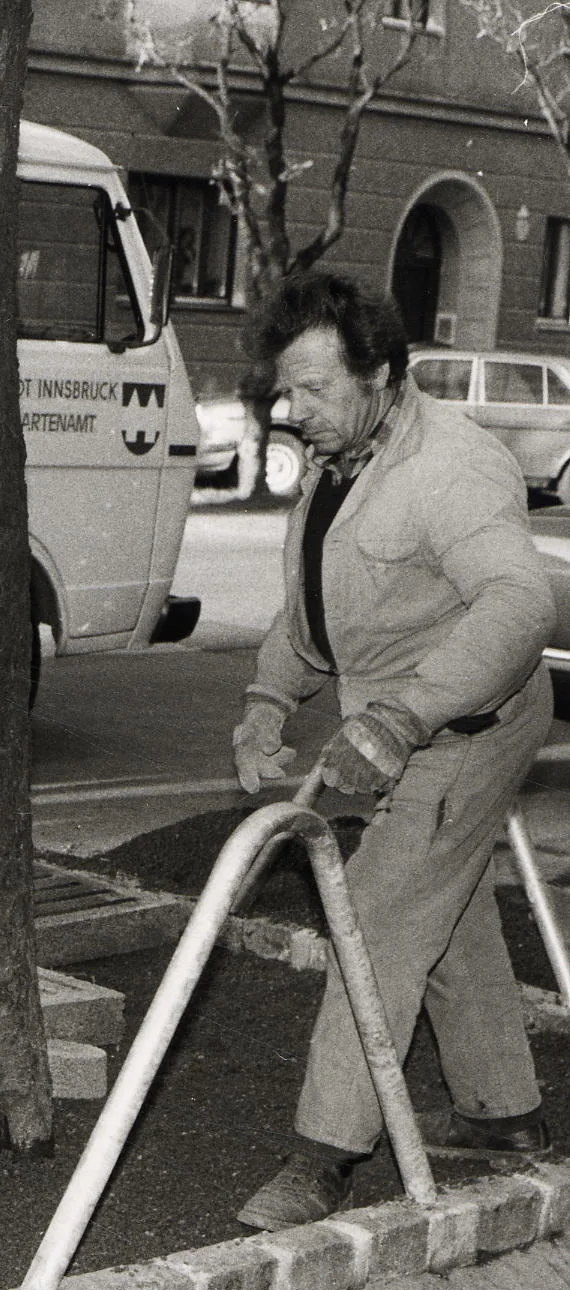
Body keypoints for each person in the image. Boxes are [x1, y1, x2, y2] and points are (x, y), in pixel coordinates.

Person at [231, 271, 557, 1232]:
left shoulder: (449, 467)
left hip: (464, 728)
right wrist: (267, 701)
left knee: (375, 920)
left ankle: (323, 1157)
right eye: (286, 392)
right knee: (440, 908)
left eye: (316, 390)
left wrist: (400, 719)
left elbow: (519, 606)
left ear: (379, 373)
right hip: (407, 722)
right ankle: (505, 1117)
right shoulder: (345, 460)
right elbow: (315, 614)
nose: (295, 412)